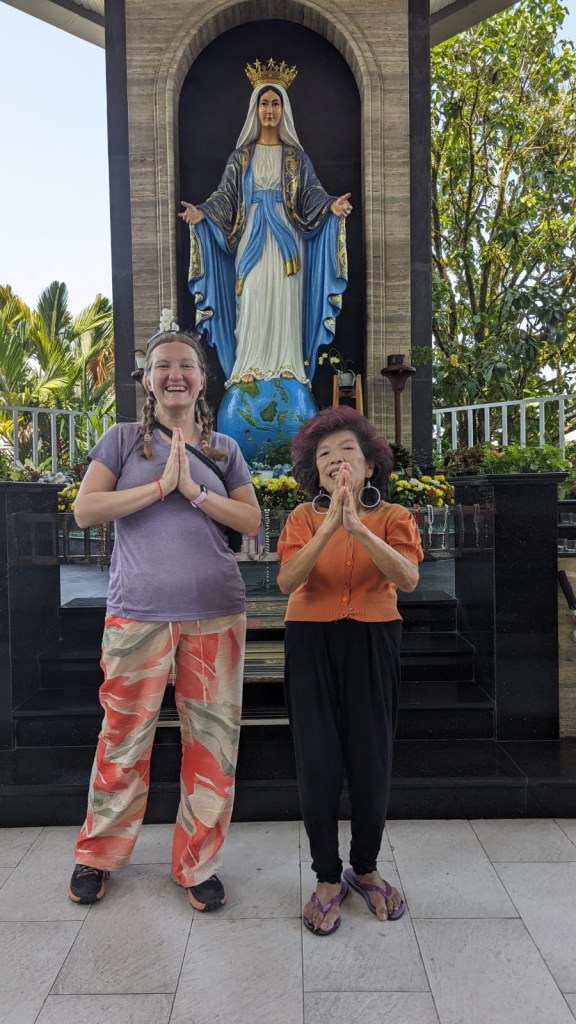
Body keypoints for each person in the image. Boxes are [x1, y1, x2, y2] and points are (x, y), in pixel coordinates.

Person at [68, 318, 261, 910]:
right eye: (163, 366)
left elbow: (251, 521)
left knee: (212, 746)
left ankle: (198, 865)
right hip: (138, 614)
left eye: (186, 366)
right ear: (147, 379)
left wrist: (195, 492)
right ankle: (97, 855)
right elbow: (86, 510)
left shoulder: (224, 448)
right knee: (122, 738)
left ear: (202, 380)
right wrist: (159, 488)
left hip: (215, 613)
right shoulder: (123, 441)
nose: (175, 374)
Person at [276, 406, 423, 935]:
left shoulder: (395, 516)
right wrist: (330, 526)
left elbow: (407, 578)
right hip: (309, 638)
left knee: (371, 755)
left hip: (373, 637)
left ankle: (365, 866)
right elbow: (288, 580)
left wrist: (357, 527)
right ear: (316, 473)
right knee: (316, 757)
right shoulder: (301, 518)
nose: (336, 462)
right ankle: (325, 875)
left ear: (369, 465)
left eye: (347, 452)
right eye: (325, 456)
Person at [179, 60, 352, 388]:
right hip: (251, 237)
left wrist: (331, 205)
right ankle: (250, 363)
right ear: (255, 109)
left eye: (275, 104)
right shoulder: (241, 157)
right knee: (253, 295)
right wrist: (203, 213)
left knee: (285, 299)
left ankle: (287, 363)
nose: (269, 110)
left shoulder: (296, 158)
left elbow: (310, 194)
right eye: (264, 104)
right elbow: (225, 197)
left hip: (288, 240)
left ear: (283, 110)